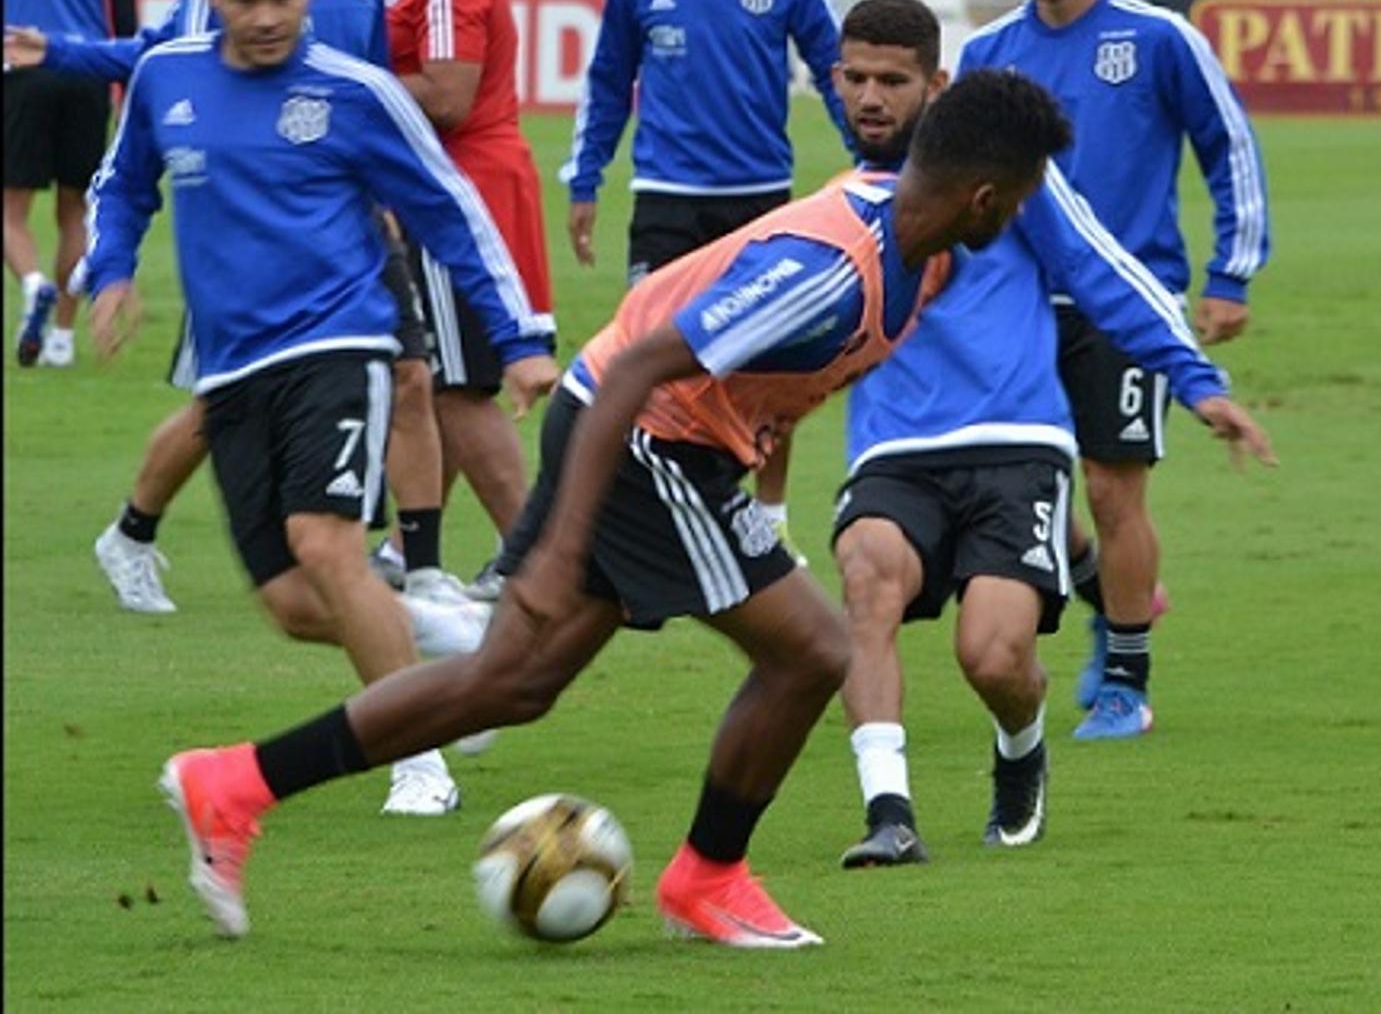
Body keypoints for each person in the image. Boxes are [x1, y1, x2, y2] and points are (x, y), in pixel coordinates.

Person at [156, 67, 1071, 946]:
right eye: (1024, 193)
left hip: (660, 436)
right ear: (986, 197)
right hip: (643, 437)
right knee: (815, 650)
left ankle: (233, 782)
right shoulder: (833, 267)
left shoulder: (923, 254)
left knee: (510, 682)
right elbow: (637, 367)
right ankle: (710, 877)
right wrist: (556, 551)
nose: (1023, 210)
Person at [84, 0, 556, 819]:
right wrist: (107, 272)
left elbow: (451, 210)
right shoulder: (164, 78)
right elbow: (123, 185)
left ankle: (420, 763)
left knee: (326, 544)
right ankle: (438, 639)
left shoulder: (355, 92)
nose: (266, 18)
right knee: (294, 602)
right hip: (229, 370)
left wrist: (523, 340)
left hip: (339, 344)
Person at [827, 0, 1275, 867]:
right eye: (857, 79)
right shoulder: (839, 205)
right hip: (892, 451)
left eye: (893, 80)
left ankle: (1021, 747)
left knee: (992, 657)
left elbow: (1103, 269)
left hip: (1014, 447)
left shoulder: (1010, 177)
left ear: (936, 84)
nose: (872, 97)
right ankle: (890, 812)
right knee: (868, 580)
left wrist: (1197, 381)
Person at [5, 0, 461, 617]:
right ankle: (133, 530)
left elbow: (369, 95)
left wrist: (385, 190)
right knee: (225, 407)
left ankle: (424, 574)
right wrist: (67, 52)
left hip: (350, 234)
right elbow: (166, 57)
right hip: (247, 231)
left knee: (412, 378)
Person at [958, 0, 1270, 739]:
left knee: (1109, 486)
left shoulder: (1161, 37)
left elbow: (1229, 145)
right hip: (1021, 309)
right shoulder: (987, 54)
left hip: (1130, 300)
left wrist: (1230, 274)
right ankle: (1113, 597)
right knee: (1023, 494)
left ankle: (1128, 681)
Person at [559, 0, 855, 565]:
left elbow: (837, 72)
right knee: (642, 357)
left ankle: (771, 515)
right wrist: (586, 178)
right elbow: (607, 85)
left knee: (770, 367)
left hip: (762, 204)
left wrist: (871, 165)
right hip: (666, 201)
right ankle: (627, 514)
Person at [377, 0, 556, 581]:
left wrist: (358, 89)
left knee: (455, 386)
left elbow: (448, 94)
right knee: (441, 374)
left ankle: (536, 557)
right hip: (459, 187)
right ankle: (399, 550)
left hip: (460, 191)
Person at [3, 0, 139, 369]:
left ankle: (33, 281)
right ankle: (60, 337)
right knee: (74, 212)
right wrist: (128, 85)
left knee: (11, 210)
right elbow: (126, 14)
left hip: (21, 68)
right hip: (85, 72)